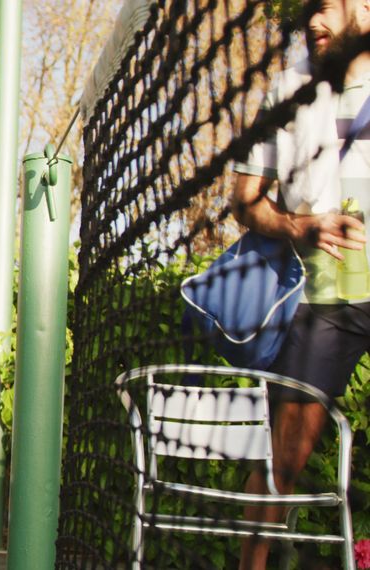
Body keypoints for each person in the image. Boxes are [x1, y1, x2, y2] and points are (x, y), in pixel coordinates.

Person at [232, 1, 370, 567]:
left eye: (330, 7)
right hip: (323, 299)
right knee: (279, 463)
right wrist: (299, 225)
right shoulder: (288, 91)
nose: (315, 20)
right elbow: (243, 202)